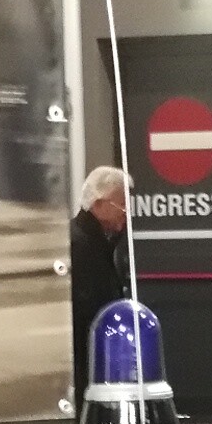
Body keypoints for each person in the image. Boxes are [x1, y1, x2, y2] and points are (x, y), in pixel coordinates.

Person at [68, 166, 133, 406]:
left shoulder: (103, 242)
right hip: (85, 362)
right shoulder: (78, 245)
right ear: (99, 204)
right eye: (122, 205)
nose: (126, 213)